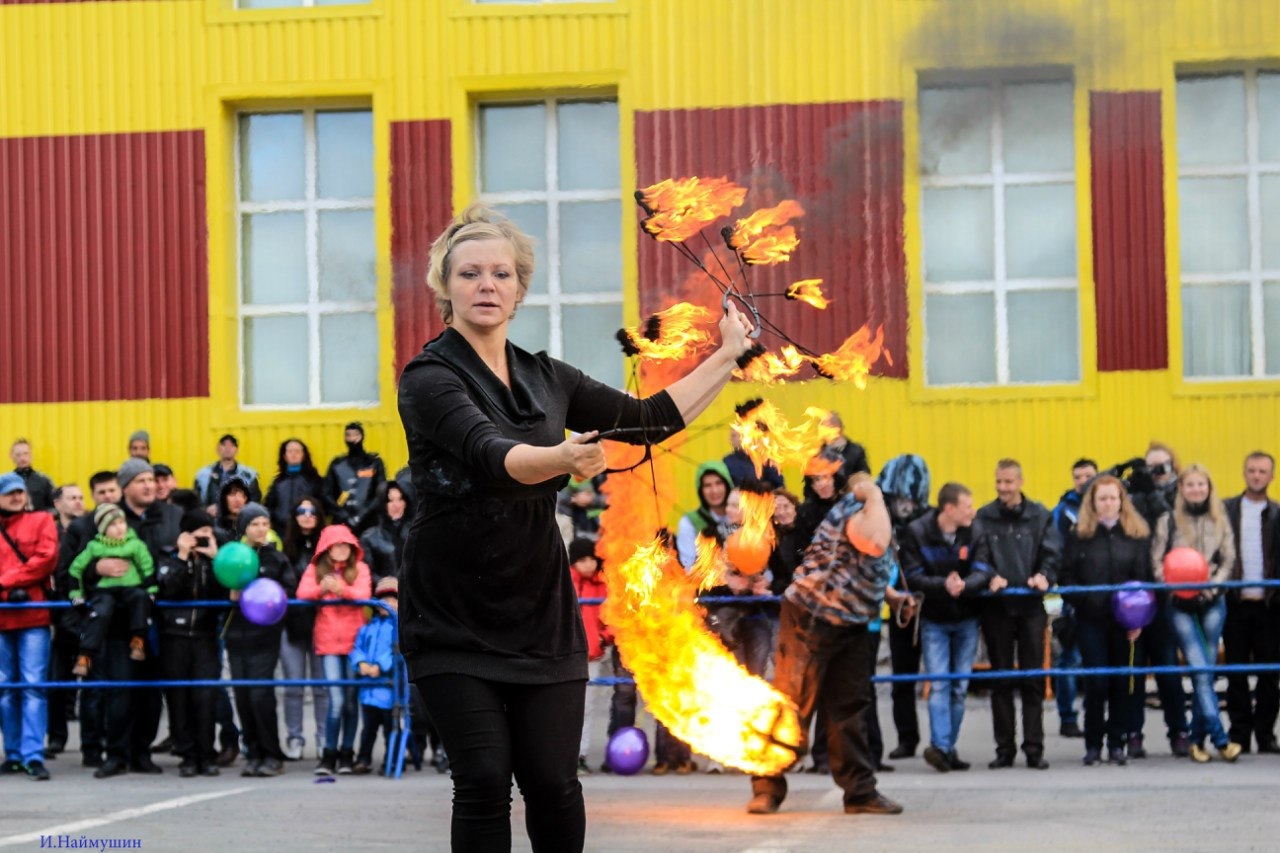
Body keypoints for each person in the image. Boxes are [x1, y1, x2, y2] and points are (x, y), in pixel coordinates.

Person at [396, 203, 754, 852]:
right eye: (470, 272)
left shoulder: (547, 377)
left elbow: (647, 420)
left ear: (520, 288)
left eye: (500, 273)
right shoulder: (429, 378)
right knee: (481, 778)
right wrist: (561, 458)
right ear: (444, 287)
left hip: (540, 613)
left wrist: (727, 354)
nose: (486, 284)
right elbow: (490, 454)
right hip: (452, 617)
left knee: (555, 782)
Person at [747, 473, 904, 816]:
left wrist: (892, 597)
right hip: (811, 618)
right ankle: (766, 787)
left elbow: (863, 565)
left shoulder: (871, 516)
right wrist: (871, 493)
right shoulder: (857, 510)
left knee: (850, 708)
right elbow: (875, 543)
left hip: (850, 623)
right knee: (791, 704)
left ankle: (860, 792)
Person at [974, 459, 1060, 770]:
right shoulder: (984, 516)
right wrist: (988, 575)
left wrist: (1044, 575)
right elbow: (978, 552)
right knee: (1000, 679)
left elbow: (1052, 554)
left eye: (1008, 482)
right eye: (999, 482)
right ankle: (1004, 749)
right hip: (997, 607)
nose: (1003, 488)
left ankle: (1034, 748)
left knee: (1033, 678)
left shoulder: (1039, 515)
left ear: (1020, 482)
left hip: (1030, 607)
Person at [1152, 465, 1241, 763]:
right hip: (1179, 605)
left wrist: (1209, 590)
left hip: (1213, 601)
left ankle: (1195, 739)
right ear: (1182, 489)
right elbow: (1157, 562)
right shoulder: (1168, 522)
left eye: (1201, 484)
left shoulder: (1220, 520)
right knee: (1201, 669)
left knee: (1206, 671)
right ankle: (1221, 738)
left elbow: (1228, 559)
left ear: (1209, 487)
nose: (1196, 490)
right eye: (1190, 485)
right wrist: (1177, 592)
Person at [1061, 475, 1151, 766]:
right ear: (1093, 502)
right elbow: (1067, 577)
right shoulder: (1079, 535)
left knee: (1122, 683)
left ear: (1122, 501)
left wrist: (1139, 618)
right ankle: (1092, 743)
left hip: (1126, 621)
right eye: (1102, 498)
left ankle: (1116, 743)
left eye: (1113, 498)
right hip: (1092, 620)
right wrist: (1085, 602)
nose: (1108, 503)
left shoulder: (1136, 535)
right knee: (1097, 683)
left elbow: (1145, 579)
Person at [900, 482, 990, 773]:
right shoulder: (917, 531)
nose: (973, 511)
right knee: (939, 684)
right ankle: (940, 746)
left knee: (959, 687)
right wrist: (943, 586)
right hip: (934, 619)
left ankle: (946, 748)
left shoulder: (975, 530)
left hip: (967, 616)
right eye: (967, 506)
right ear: (949, 509)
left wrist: (964, 585)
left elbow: (984, 569)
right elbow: (911, 575)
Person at [1123, 442, 1190, 757]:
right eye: (1149, 469)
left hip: (1165, 595)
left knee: (1167, 669)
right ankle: (1133, 733)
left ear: (1173, 468)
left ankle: (1179, 731)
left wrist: (1152, 492)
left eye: (1161, 468)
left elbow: (1173, 524)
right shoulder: (1131, 497)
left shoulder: (1181, 496)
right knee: (1134, 671)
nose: (1155, 475)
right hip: (1135, 594)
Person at [154, 509, 228, 777]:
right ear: (185, 535)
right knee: (179, 699)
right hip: (174, 637)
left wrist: (216, 561)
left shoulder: (215, 559)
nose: (205, 538)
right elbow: (167, 588)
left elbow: (224, 593)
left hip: (205, 636)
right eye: (200, 534)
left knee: (205, 697)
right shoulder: (168, 555)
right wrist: (183, 556)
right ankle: (186, 755)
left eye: (209, 532)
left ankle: (206, 754)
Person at [56, 470, 120, 769]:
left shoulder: (126, 525)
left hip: (122, 619)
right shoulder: (81, 528)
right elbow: (66, 573)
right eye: (102, 493)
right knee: (93, 688)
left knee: (120, 687)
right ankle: (92, 748)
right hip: (90, 619)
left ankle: (120, 746)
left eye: (112, 491)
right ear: (94, 496)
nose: (108, 497)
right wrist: (80, 615)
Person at [296, 524, 371, 776]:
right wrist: (323, 589)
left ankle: (347, 754)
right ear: (326, 548)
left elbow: (364, 594)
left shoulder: (360, 568)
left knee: (351, 701)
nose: (340, 549)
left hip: (355, 644)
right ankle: (329, 754)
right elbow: (302, 592)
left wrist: (343, 591)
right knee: (336, 700)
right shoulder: (316, 569)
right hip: (328, 642)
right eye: (335, 545)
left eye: (345, 545)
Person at [224, 502, 292, 777]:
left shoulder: (276, 558)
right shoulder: (233, 556)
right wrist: (230, 594)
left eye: (265, 523)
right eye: (255, 524)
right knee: (242, 697)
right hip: (237, 634)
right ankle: (252, 752)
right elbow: (220, 587)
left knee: (260, 695)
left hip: (265, 636)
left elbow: (289, 590)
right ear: (244, 528)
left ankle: (271, 754)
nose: (261, 529)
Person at [0, 472, 59, 781]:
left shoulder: (41, 520)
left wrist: (5, 582)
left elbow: (46, 558)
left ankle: (33, 754)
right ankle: (13, 753)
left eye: (19, 491)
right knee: (6, 690)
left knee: (33, 686)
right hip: (3, 618)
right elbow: (37, 562)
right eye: (9, 492)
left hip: (33, 616)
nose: (16, 496)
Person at [1222, 451, 1280, 753]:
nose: (1256, 476)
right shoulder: (1227, 510)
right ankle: (1239, 735)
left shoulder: (1277, 513)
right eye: (1252, 470)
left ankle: (1266, 735)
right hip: (1236, 603)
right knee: (1236, 672)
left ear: (1271, 476)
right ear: (1244, 473)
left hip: (1270, 605)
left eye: (1262, 471)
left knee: (1270, 674)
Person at [876, 454, 931, 761]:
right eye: (898, 497)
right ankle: (907, 739)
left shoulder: (929, 521)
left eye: (908, 498)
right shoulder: (882, 522)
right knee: (902, 679)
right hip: (899, 611)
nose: (903, 504)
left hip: (928, 609)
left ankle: (941, 742)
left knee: (939, 679)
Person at [68, 504, 156, 675]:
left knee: (140, 598)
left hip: (131, 586)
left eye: (122, 522)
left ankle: (138, 639)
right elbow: (75, 569)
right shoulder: (94, 546)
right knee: (100, 611)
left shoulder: (135, 544)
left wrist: (151, 590)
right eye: (112, 524)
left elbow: (147, 566)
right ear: (103, 528)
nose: (119, 528)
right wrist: (76, 595)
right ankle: (85, 654)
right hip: (105, 589)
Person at [1050, 458, 1099, 740]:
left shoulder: (1107, 503)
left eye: (1088, 475)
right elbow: (1055, 553)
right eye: (1078, 476)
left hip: (1105, 595)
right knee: (1070, 658)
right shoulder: (1063, 511)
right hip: (1072, 596)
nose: (1083, 481)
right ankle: (1067, 717)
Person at [279, 496, 329, 761]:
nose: (307, 515)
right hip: (292, 622)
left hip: (322, 622)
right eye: (301, 511)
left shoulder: (328, 547)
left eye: (312, 510)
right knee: (293, 685)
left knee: (322, 686)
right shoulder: (285, 548)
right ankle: (295, 738)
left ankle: (323, 737)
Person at [46, 484, 86, 756]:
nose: (78, 502)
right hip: (60, 613)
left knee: (96, 681)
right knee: (57, 680)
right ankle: (57, 737)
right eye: (72, 498)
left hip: (89, 611)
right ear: (58, 504)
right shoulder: (50, 533)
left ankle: (94, 740)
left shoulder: (93, 529)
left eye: (81, 497)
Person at [350, 576, 400, 775]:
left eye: (392, 599)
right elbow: (356, 648)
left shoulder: (398, 627)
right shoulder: (367, 627)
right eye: (382, 599)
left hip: (389, 687)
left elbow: (396, 651)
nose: (386, 603)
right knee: (368, 729)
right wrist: (360, 663)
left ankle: (393, 759)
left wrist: (380, 666)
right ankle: (363, 758)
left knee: (390, 727)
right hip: (369, 688)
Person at [567, 539, 609, 776]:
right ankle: (564, 755)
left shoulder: (602, 585)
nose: (589, 564)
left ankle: (580, 755)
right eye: (583, 560)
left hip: (592, 655)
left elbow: (612, 616)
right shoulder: (565, 582)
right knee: (565, 708)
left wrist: (605, 638)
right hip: (567, 655)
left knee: (587, 707)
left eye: (592, 559)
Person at [324, 423, 386, 534]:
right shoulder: (336, 464)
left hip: (370, 522)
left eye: (356, 434)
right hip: (341, 522)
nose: (352, 438)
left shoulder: (374, 463)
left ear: (362, 436)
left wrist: (362, 515)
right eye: (348, 435)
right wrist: (343, 516)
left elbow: (381, 492)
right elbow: (326, 493)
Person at [674, 460, 734, 570]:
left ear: (727, 484)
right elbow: (688, 567)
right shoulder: (689, 522)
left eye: (719, 483)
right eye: (707, 485)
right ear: (700, 490)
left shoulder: (742, 515)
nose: (714, 490)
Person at [264, 439, 328, 536]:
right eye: (290, 451)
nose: (293, 454)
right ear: (284, 456)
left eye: (297, 451)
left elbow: (323, 506)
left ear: (303, 455)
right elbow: (269, 505)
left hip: (307, 532)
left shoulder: (314, 480)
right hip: (282, 531)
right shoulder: (278, 482)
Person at [803, 411, 868, 502]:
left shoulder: (856, 451)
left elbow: (863, 478)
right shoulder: (815, 454)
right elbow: (809, 487)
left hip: (850, 502)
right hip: (822, 506)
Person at [360, 480, 414, 583]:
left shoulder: (416, 534)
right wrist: (387, 584)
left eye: (400, 499)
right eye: (390, 500)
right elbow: (367, 574)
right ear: (382, 504)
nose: (397, 505)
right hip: (385, 594)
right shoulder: (369, 538)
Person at [195, 434, 261, 511]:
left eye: (232, 445)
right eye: (224, 445)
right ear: (218, 448)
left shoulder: (248, 475)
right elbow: (196, 502)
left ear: (237, 450)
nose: (228, 448)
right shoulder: (203, 474)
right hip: (210, 519)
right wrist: (206, 509)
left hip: (238, 520)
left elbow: (255, 500)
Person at [9, 439, 54, 512]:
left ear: (31, 455)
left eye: (26, 453)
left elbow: (55, 507)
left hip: (38, 522)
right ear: (12, 457)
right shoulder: (7, 482)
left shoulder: (44, 481)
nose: (22, 458)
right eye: (18, 455)